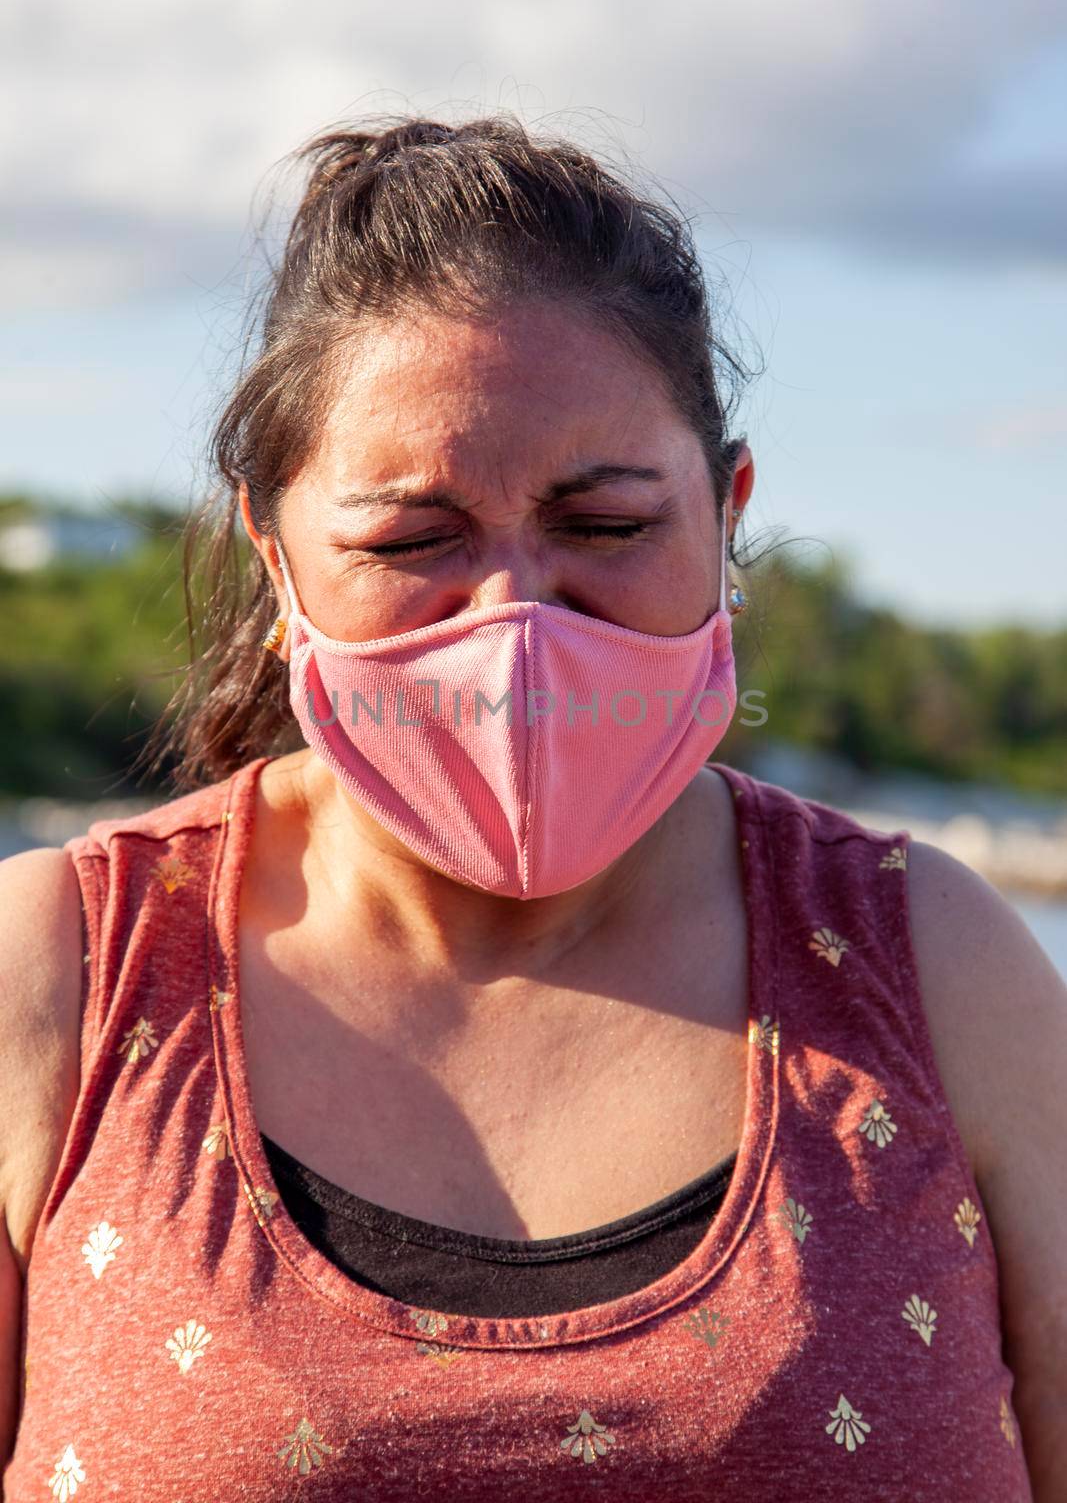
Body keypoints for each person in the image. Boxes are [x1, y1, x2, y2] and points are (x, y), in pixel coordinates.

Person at [1, 115, 1063, 1501]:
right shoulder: (64, 980)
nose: (515, 624)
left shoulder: (942, 969)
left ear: (726, 517)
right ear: (273, 557)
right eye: (409, 541)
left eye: (606, 526)